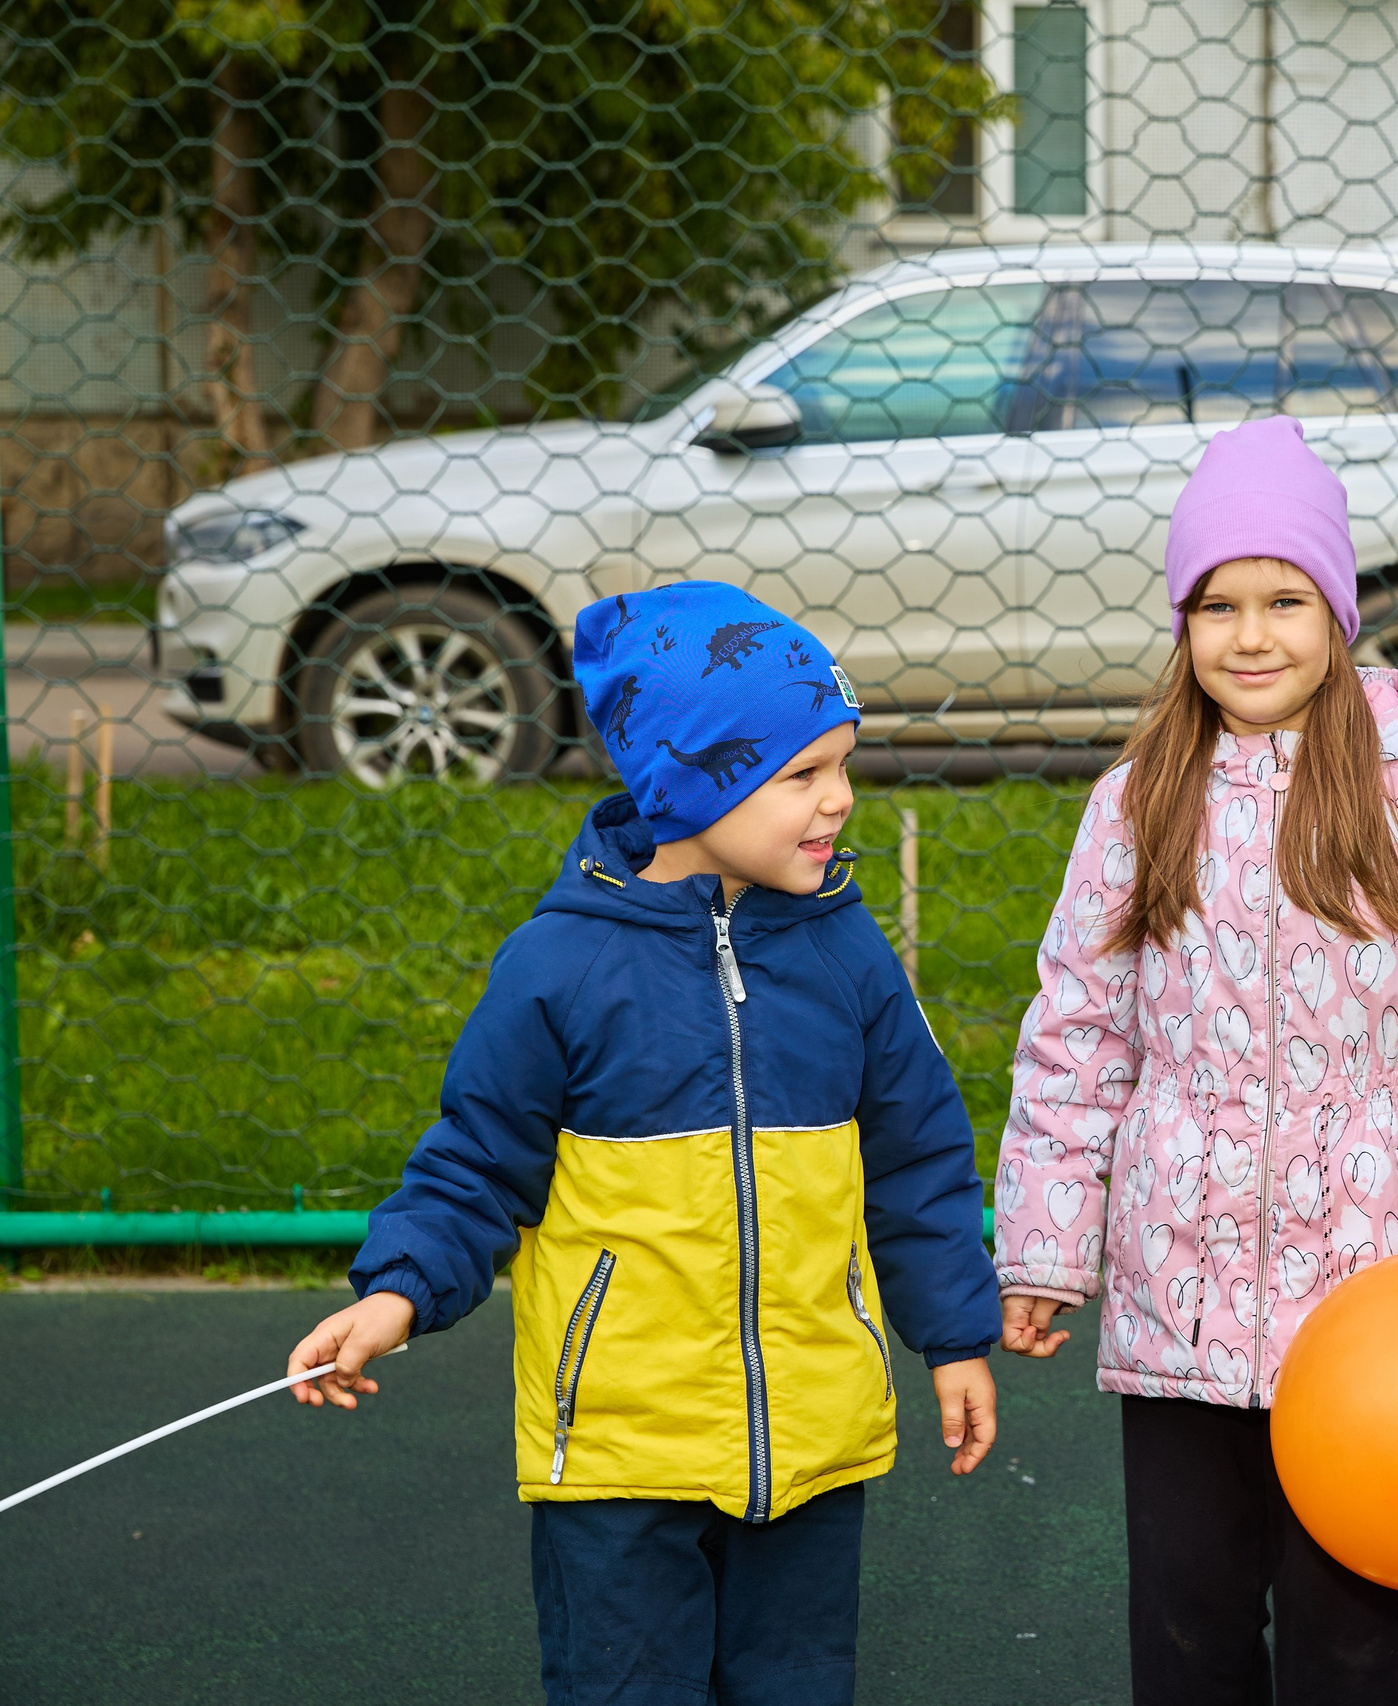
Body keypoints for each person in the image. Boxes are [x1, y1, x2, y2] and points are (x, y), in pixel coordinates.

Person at [283, 581, 1002, 1706]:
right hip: (616, 1447)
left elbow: (918, 1156)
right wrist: (398, 1292)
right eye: (800, 775)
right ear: (684, 781)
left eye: (843, 766)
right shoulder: (558, 965)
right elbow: (476, 1158)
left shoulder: (849, 956)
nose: (838, 802)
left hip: (809, 1440)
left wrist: (954, 1334)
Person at [994, 415, 1398, 1705]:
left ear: (1338, 610)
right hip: (1176, 1299)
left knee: (1354, 1633)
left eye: (1283, 599)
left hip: (1373, 1312)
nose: (1250, 636)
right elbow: (1079, 1033)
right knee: (1189, 1628)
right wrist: (1041, 1244)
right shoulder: (1139, 797)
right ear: (1182, 620)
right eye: (1216, 604)